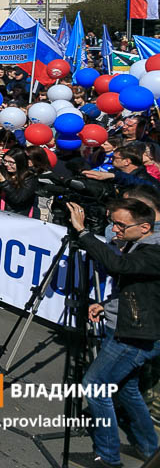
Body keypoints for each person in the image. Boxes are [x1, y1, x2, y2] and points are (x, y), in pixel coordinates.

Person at [69, 194, 160, 467]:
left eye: (121, 226)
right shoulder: (138, 244)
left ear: (145, 227)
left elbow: (120, 266)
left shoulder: (154, 251)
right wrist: (106, 304)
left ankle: (108, 457)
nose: (115, 231)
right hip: (126, 325)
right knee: (126, 389)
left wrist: (84, 232)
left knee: (95, 387)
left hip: (134, 336)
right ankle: (150, 448)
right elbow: (136, 288)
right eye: (114, 224)